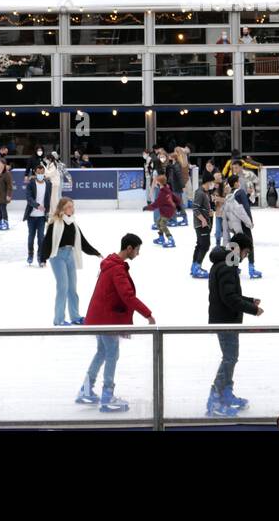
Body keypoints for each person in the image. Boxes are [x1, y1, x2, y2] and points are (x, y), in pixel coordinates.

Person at [77, 233, 156, 414]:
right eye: (137, 249)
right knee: (112, 353)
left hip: (99, 317)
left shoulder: (112, 264)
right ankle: (107, 396)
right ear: (129, 248)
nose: (138, 253)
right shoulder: (117, 269)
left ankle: (86, 390)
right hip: (106, 319)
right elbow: (127, 296)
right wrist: (148, 314)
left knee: (102, 352)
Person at [206, 231, 263, 417]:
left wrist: (249, 300)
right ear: (238, 250)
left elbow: (231, 294)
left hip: (226, 319)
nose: (245, 257)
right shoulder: (227, 267)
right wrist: (252, 310)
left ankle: (225, 393)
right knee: (229, 358)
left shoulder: (225, 263)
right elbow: (229, 298)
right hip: (226, 321)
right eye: (246, 253)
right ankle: (215, 397)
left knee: (231, 357)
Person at [39, 198, 102, 325]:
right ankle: (59, 319)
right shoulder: (54, 223)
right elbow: (46, 242)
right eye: (68, 207)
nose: (71, 209)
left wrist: (96, 252)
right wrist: (43, 258)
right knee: (63, 287)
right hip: (57, 256)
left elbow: (83, 243)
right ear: (62, 208)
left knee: (72, 288)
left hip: (70, 255)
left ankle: (75, 316)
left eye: (72, 207)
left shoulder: (73, 224)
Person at [226, 174, 261, 278]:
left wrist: (248, 196)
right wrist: (250, 221)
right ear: (236, 182)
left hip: (235, 224)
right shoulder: (240, 192)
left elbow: (242, 204)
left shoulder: (231, 194)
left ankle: (233, 268)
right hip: (243, 224)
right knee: (249, 245)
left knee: (236, 245)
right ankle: (251, 268)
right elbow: (244, 209)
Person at [24, 164, 54, 267]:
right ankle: (30, 254)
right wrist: (37, 206)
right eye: (38, 173)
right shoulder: (31, 184)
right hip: (31, 216)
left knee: (41, 238)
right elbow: (29, 198)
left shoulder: (48, 184)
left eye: (42, 173)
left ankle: (41, 257)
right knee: (31, 237)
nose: (40, 174)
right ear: (35, 173)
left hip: (42, 217)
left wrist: (48, 212)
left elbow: (49, 199)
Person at [144, 172, 179, 247]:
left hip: (167, 212)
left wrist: (147, 207)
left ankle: (171, 239)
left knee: (162, 224)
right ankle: (161, 238)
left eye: (157, 181)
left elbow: (156, 204)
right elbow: (174, 197)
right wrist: (178, 204)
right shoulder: (166, 189)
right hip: (167, 210)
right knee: (158, 221)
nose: (156, 182)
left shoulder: (162, 193)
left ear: (159, 182)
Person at [190, 174, 215, 279]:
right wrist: (203, 219)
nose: (212, 184)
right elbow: (195, 208)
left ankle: (194, 266)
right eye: (211, 182)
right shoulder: (200, 193)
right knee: (205, 245)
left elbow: (203, 207)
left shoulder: (205, 192)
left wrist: (209, 212)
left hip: (204, 223)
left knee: (200, 245)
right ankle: (197, 267)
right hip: (201, 224)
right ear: (207, 182)